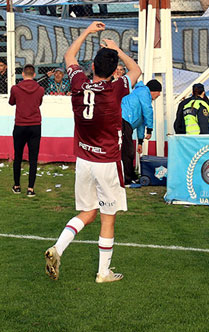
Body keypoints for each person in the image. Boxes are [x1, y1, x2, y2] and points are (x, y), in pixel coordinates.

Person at [44, 21, 142, 284]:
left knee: (87, 213)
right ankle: (103, 272)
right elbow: (137, 70)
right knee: (107, 218)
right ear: (113, 72)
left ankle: (58, 248)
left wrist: (87, 32)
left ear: (93, 67)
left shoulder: (78, 83)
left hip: (84, 160)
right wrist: (117, 49)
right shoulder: (114, 89)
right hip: (107, 161)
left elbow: (68, 56)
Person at [8, 64, 45, 196]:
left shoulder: (16, 89)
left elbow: (11, 102)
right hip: (35, 125)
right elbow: (39, 103)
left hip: (20, 125)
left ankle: (17, 186)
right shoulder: (40, 89)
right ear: (34, 75)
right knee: (33, 158)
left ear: (23, 74)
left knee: (18, 156)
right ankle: (30, 188)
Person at [120, 79, 161, 184]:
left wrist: (140, 142)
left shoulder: (141, 95)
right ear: (153, 90)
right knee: (127, 152)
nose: (159, 95)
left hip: (125, 123)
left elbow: (141, 123)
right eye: (158, 92)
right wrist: (150, 129)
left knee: (128, 151)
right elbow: (148, 110)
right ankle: (127, 179)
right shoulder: (144, 92)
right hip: (123, 121)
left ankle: (130, 176)